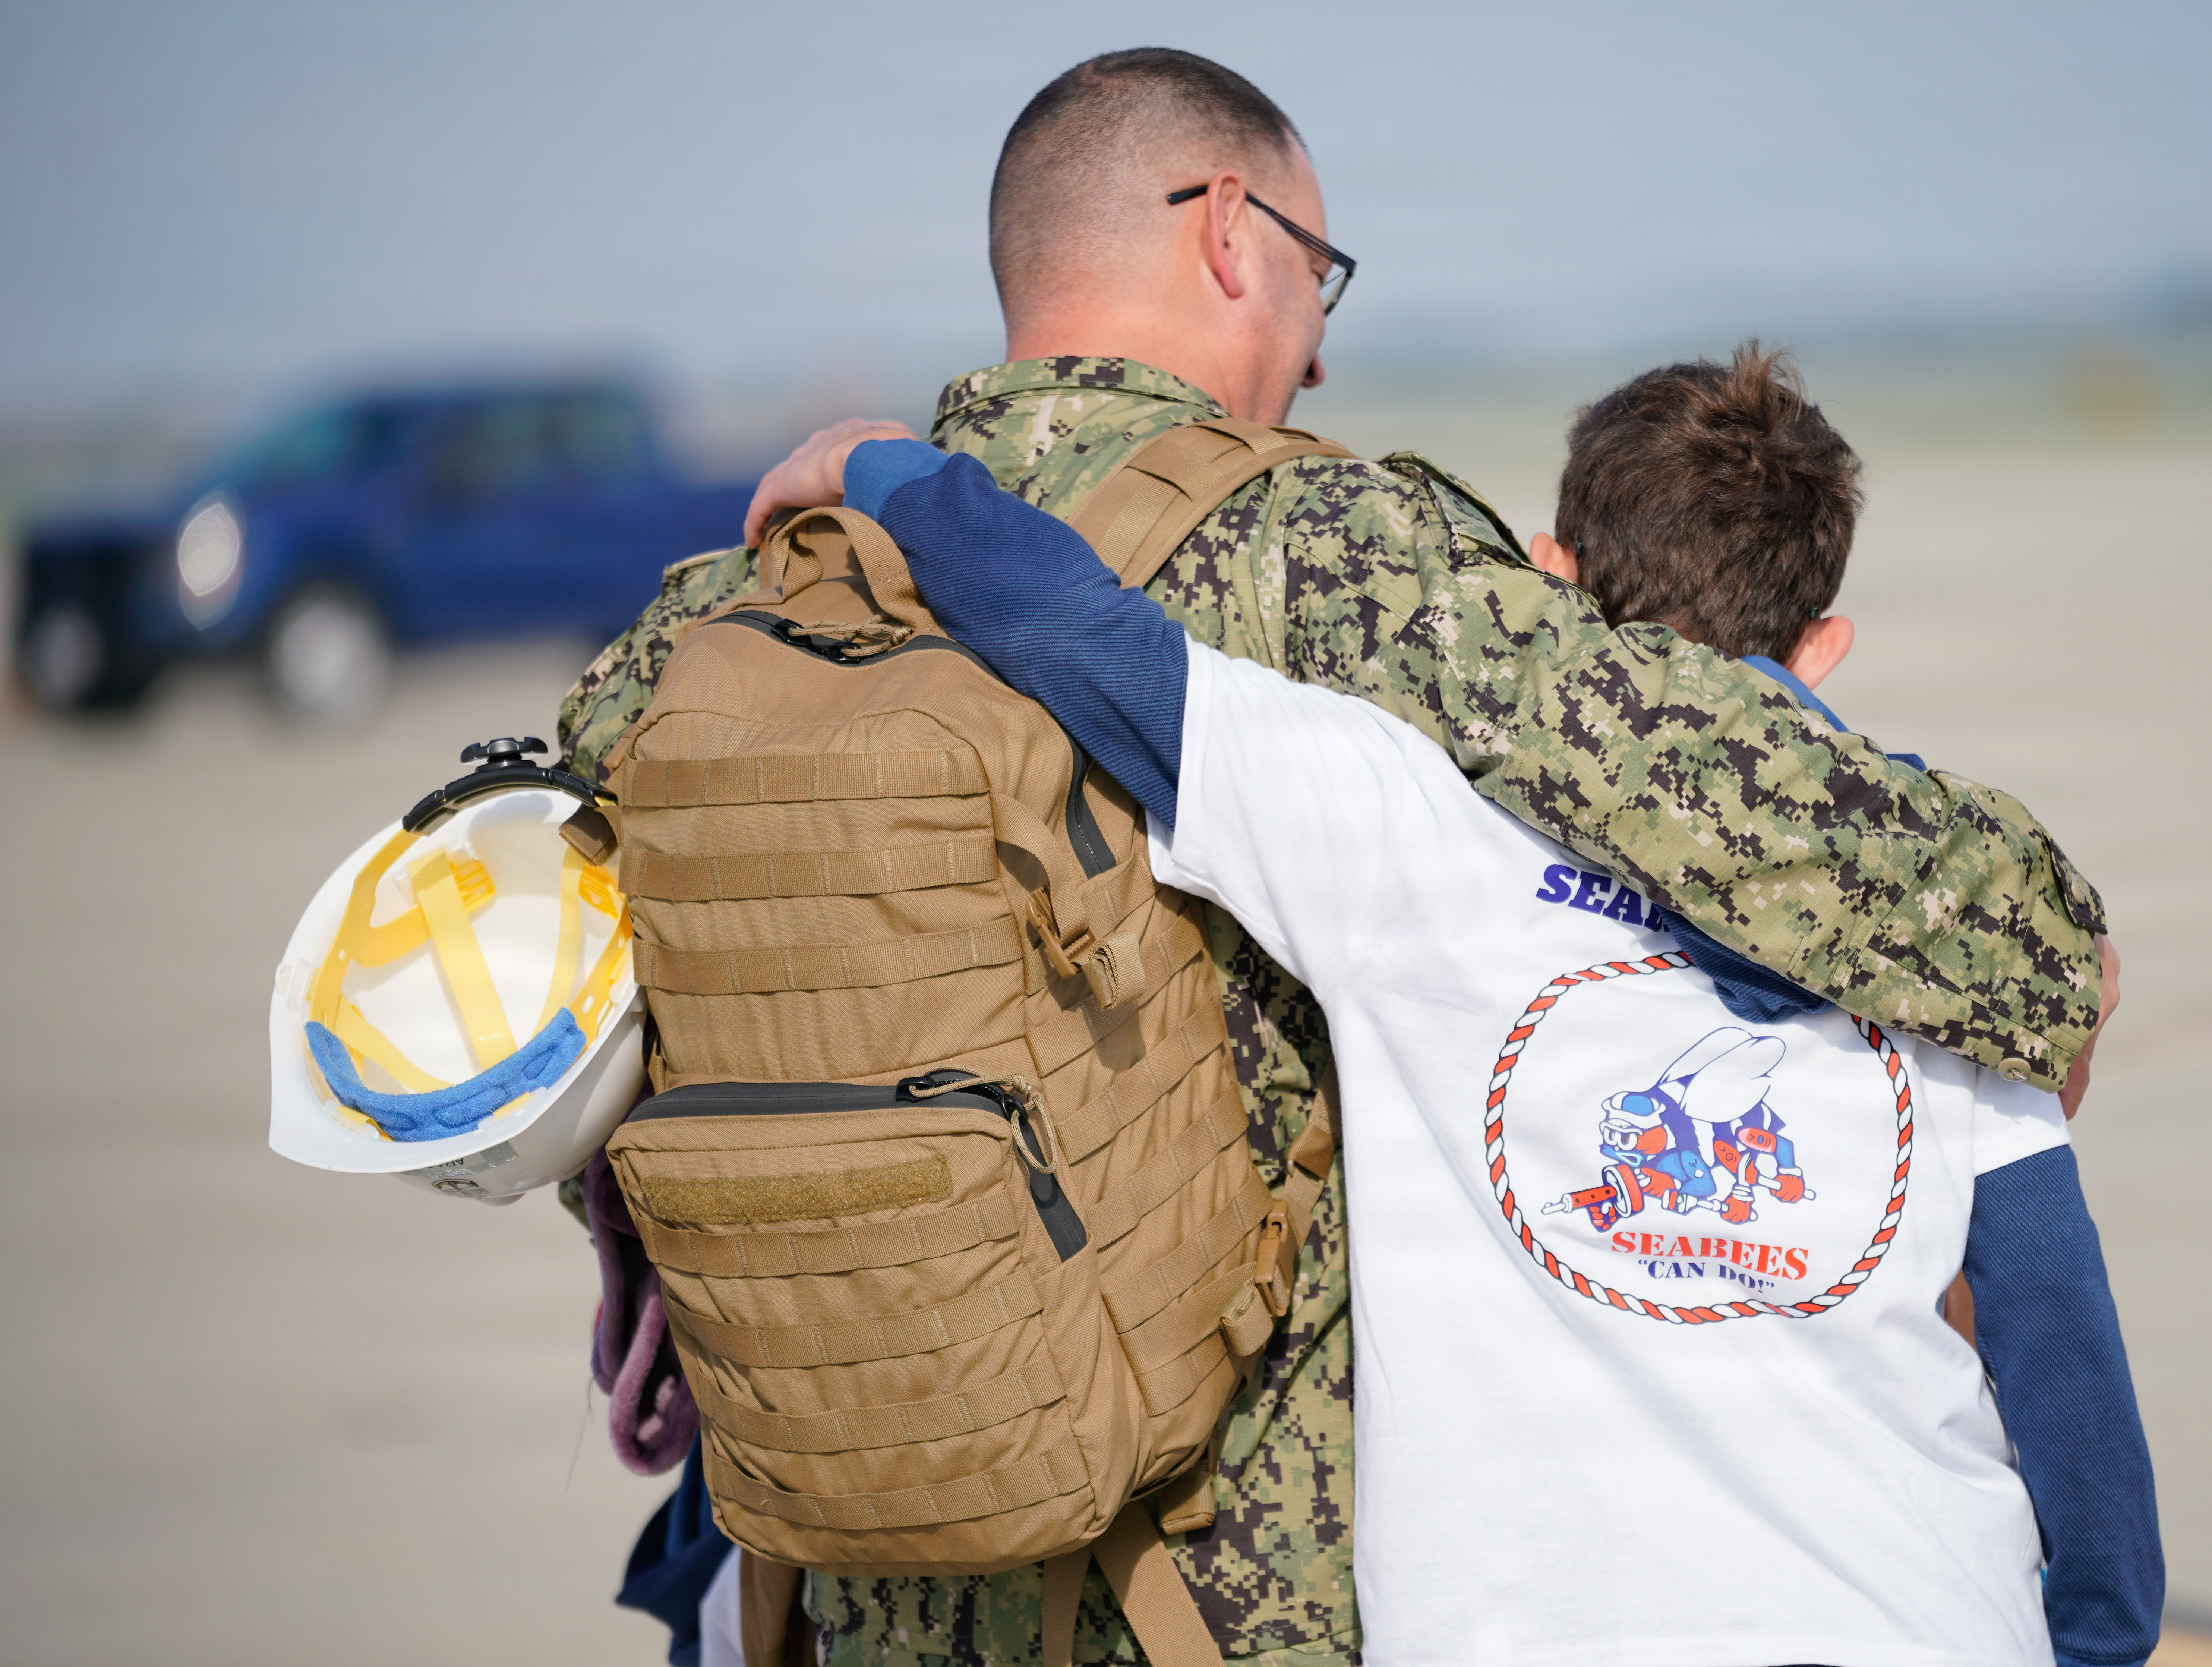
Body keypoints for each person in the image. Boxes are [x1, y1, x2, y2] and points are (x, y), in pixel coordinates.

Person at [561, 48, 2115, 1667]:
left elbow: (531, 1030)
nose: (1316, 353)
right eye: (1321, 273)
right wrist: (2037, 942)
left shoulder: (726, 606)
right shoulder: (1328, 560)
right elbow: (1717, 789)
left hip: (839, 1579)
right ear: (1228, 230)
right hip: (1214, 1589)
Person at [758, 341, 2159, 1665]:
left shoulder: (1410, 831)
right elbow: (2060, 1348)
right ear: (1828, 639)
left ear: (1547, 575)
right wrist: (2099, 1635)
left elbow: (1080, 637)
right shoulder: (1946, 911)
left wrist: (887, 467)